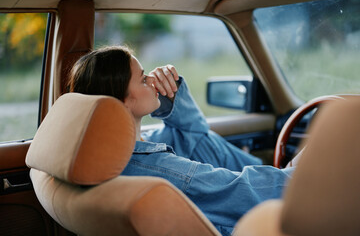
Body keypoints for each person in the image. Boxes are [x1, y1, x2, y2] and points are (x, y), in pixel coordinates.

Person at [68, 45, 294, 236]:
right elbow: (240, 190)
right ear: (122, 102)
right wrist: (300, 173)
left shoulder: (113, 156)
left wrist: (172, 95)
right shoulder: (158, 169)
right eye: (142, 78)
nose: (152, 80)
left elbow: (196, 136)